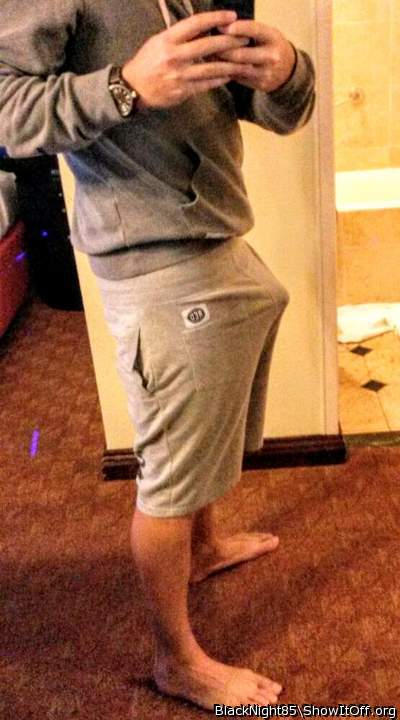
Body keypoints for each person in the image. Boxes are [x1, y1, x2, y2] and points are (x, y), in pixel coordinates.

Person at [0, 0, 316, 711]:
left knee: (201, 437)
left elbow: (262, 107)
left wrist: (288, 72)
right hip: (157, 263)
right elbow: (7, 113)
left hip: (218, 238)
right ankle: (177, 662)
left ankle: (203, 548)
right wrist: (125, 85)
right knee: (170, 477)